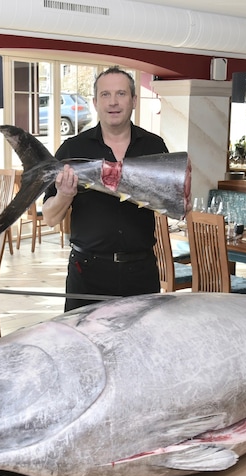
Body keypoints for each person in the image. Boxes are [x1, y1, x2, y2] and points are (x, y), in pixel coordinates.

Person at [42, 66, 168, 312]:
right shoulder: (72, 150)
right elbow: (49, 217)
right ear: (95, 102)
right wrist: (65, 196)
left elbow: (169, 204)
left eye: (121, 94)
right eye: (105, 95)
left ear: (133, 100)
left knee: (139, 347)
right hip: (88, 272)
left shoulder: (155, 146)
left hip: (141, 273)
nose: (113, 102)